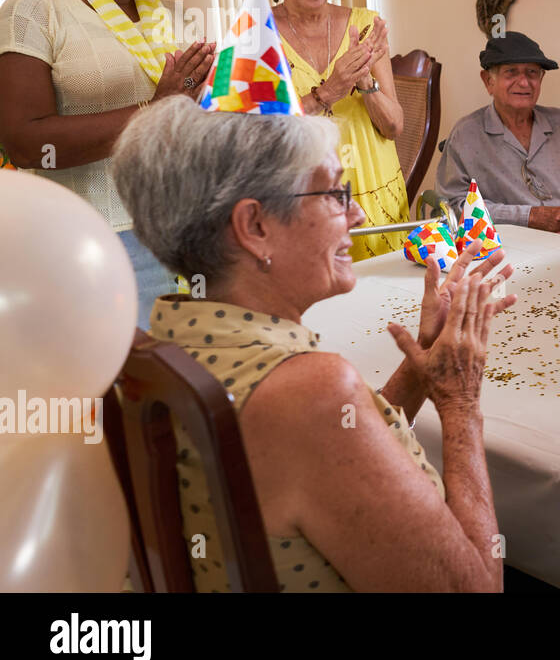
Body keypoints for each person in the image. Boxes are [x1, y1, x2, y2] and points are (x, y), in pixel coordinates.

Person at [112, 96, 513, 591]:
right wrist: (460, 401)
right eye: (335, 194)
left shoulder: (169, 335)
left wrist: (422, 369)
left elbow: (332, 459)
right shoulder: (313, 392)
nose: (360, 215)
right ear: (255, 226)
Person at [0, 0, 215, 328]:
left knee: (190, 389)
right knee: (118, 398)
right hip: (92, 241)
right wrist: (155, 111)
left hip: (184, 230)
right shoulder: (33, 12)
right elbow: (25, 144)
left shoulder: (173, 16)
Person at [246, 0, 406, 261]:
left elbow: (393, 126)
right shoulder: (256, 39)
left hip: (378, 197)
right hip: (302, 204)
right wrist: (329, 91)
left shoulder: (365, 24)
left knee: (390, 313)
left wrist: (365, 82)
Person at [436, 31, 560, 238]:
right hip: (516, 253)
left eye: (532, 72)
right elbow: (454, 207)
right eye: (511, 72)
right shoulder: (466, 135)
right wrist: (533, 217)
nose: (524, 82)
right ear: (488, 81)